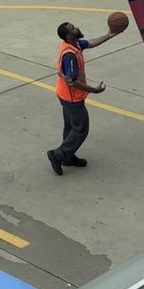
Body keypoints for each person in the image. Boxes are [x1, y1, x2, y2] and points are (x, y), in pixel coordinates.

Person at [47, 21, 116, 176]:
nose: (76, 27)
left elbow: (90, 43)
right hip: (72, 98)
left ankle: (67, 157)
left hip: (64, 95)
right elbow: (73, 82)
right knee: (81, 129)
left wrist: (110, 34)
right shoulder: (70, 55)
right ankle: (57, 155)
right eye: (73, 28)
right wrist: (94, 90)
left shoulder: (74, 44)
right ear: (69, 35)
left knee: (71, 127)